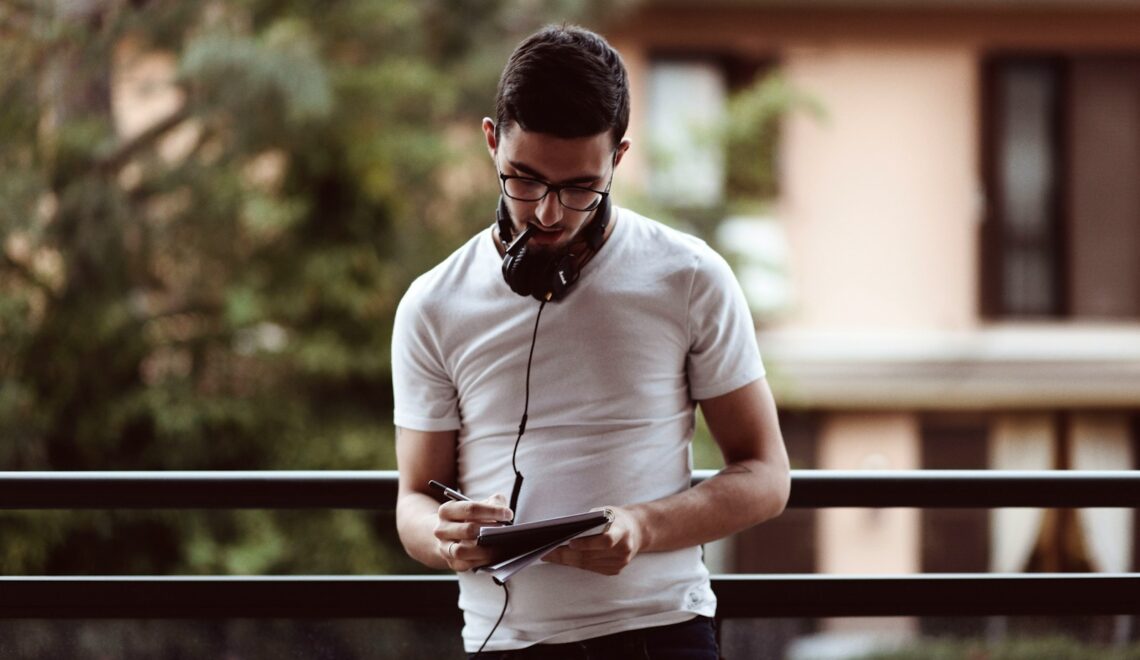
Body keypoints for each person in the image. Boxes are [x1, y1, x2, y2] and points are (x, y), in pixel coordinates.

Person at [392, 24, 790, 659]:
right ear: (491, 143)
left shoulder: (690, 277)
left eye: (579, 187)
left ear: (619, 159)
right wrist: (442, 536)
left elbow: (767, 477)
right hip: (505, 643)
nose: (548, 213)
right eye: (523, 179)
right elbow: (414, 499)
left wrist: (643, 525)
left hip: (663, 634)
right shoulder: (432, 303)